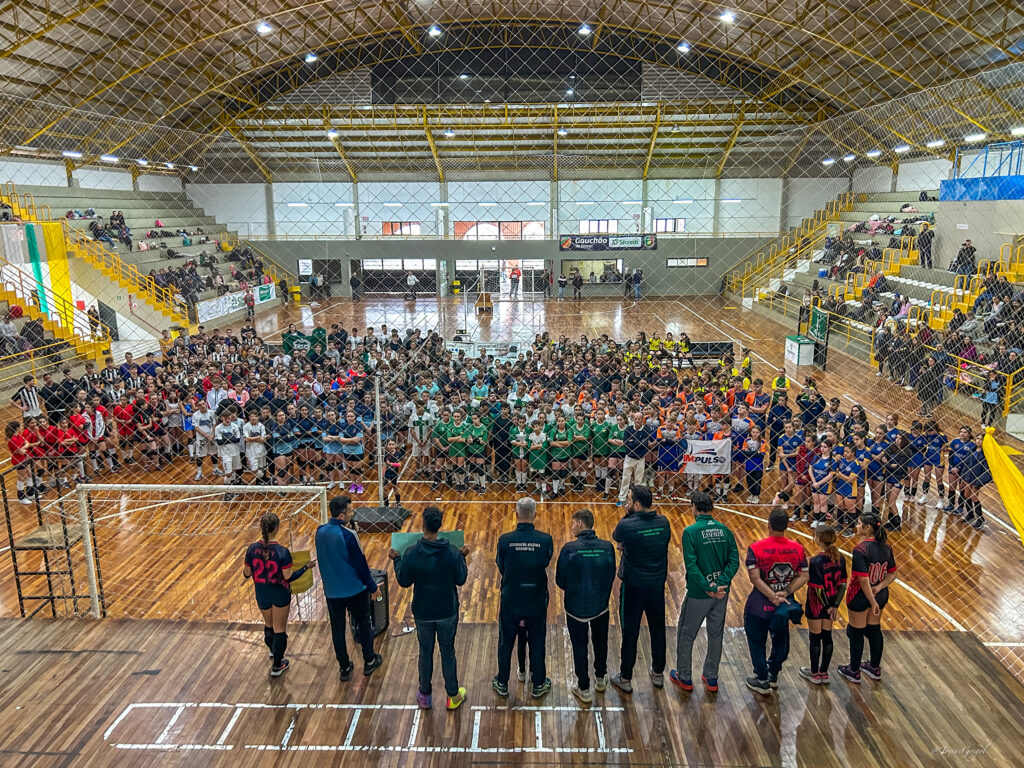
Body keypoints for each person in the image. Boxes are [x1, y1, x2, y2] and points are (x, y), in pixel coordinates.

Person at [389, 505, 470, 711]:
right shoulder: (452, 552)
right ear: (440, 526)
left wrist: (397, 560)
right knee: (447, 652)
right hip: (447, 611)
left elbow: (404, 581)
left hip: (423, 612)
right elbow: (461, 579)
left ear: (423, 525)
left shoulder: (412, 553)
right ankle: (452, 695)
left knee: (425, 652)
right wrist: (462, 558)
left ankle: (425, 696)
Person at [669, 491, 739, 694]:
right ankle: (711, 677)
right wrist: (721, 584)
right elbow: (734, 561)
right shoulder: (725, 531)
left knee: (686, 634)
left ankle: (684, 676)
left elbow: (691, 567)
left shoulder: (690, 532)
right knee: (715, 634)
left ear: (693, 507)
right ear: (712, 508)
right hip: (722, 594)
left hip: (699, 594)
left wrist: (709, 587)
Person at [315, 495, 384, 680]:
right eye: (350, 511)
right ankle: (369, 660)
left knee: (337, 629)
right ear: (341, 515)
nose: (352, 514)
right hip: (355, 590)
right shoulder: (349, 535)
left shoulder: (320, 532)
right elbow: (361, 566)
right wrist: (372, 587)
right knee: (364, 623)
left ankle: (344, 668)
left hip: (332, 592)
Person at [610, 484, 671, 693]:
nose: (625, 503)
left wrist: (626, 540)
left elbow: (617, 537)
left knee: (630, 632)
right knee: (657, 630)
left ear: (636, 505)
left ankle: (625, 677)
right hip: (656, 587)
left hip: (633, 588)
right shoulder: (664, 523)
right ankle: (658, 673)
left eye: (628, 500)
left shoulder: (626, 525)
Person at [492, 497, 554, 699]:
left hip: (511, 600)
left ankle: (502, 682)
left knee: (506, 642)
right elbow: (545, 562)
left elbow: (501, 566)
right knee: (537, 641)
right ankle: (539, 684)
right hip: (536, 600)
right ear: (535, 515)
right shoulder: (546, 540)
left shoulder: (505, 540)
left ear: (516, 514)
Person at [743, 507, 809, 695]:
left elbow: (755, 578)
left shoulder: (756, 548)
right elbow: (804, 576)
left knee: (756, 641)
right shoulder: (798, 548)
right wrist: (785, 592)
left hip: (759, 604)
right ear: (787, 526)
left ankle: (762, 678)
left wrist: (771, 595)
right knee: (781, 640)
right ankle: (773, 674)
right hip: (783, 606)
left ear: (769, 525)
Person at [555, 508, 616, 705]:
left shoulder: (569, 549)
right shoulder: (607, 547)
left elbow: (560, 580)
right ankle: (600, 678)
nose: (571, 527)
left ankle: (583, 688)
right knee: (601, 642)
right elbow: (611, 575)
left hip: (576, 609)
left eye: (573, 523)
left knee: (579, 647)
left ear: (580, 524)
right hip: (601, 607)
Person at [243, 513, 311, 677]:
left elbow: (246, 573)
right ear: (277, 528)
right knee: (279, 629)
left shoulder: (251, 549)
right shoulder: (282, 552)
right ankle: (277, 665)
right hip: (279, 593)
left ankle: (273, 651)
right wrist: (305, 568)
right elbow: (288, 577)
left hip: (262, 593)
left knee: (269, 625)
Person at [839, 513, 897, 683]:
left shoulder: (860, 550)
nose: (856, 526)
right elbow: (893, 573)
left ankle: (854, 670)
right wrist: (879, 587)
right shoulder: (887, 547)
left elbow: (863, 580)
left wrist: (871, 600)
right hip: (880, 595)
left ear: (868, 528)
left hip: (860, 596)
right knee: (874, 630)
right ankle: (874, 668)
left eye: (858, 523)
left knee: (856, 632)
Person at [800, 525, 847, 685]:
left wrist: (827, 606)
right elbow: (843, 585)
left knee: (815, 639)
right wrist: (835, 605)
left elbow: (818, 589)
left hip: (817, 604)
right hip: (832, 601)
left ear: (818, 539)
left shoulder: (815, 561)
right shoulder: (840, 559)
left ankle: (814, 673)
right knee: (827, 637)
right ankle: (824, 672)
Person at [617, 411, 654, 506]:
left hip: (640, 458)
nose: (637, 420)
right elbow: (626, 443)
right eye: (635, 419)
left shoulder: (646, 430)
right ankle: (622, 498)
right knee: (625, 479)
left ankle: (636, 499)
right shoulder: (629, 429)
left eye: (639, 419)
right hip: (629, 458)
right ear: (633, 419)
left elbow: (645, 444)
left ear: (642, 420)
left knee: (638, 481)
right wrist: (638, 442)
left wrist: (633, 441)